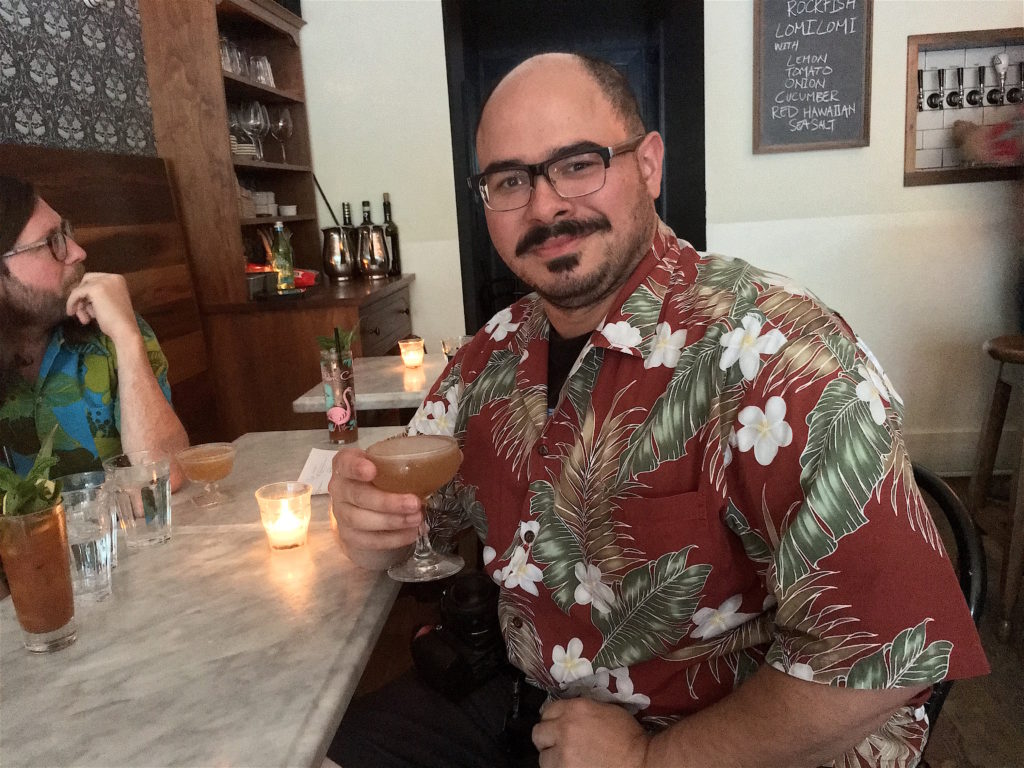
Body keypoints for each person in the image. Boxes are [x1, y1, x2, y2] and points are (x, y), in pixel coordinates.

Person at [328, 53, 989, 768]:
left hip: (735, 741)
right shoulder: (489, 358)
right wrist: (368, 522)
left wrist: (654, 760)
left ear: (648, 165)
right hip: (530, 699)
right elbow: (416, 516)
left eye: (577, 163)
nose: (545, 206)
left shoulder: (780, 350)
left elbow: (889, 658)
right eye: (510, 180)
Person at [0, 175, 188, 489]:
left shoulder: (109, 328)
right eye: (52, 242)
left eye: (66, 233)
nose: (77, 252)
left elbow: (166, 479)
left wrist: (127, 338)